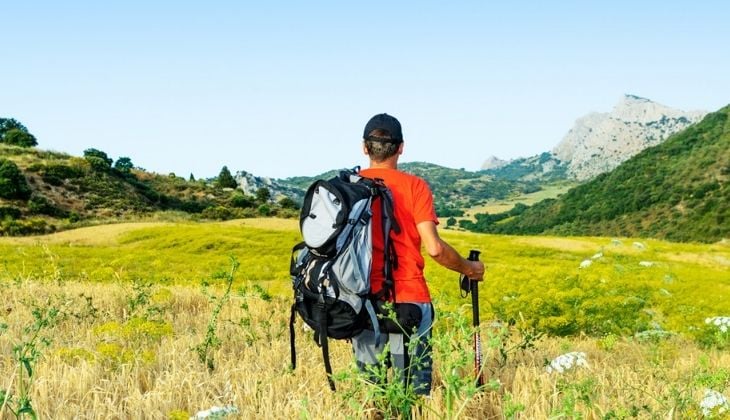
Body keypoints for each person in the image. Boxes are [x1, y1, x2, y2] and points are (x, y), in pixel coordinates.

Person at [352, 113, 485, 396]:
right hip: (409, 299)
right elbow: (435, 248)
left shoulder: (348, 187)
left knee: (370, 394)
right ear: (401, 148)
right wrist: (468, 268)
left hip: (361, 300)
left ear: (365, 148)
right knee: (412, 396)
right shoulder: (415, 187)